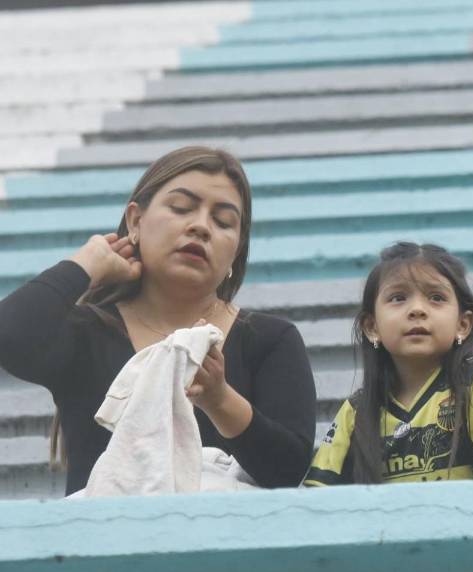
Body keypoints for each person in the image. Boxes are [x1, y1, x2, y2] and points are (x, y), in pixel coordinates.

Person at [0, 146, 317, 495]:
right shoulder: (86, 332)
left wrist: (219, 400)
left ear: (237, 250)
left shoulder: (271, 339)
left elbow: (289, 469)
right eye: (181, 208)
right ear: (136, 221)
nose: (201, 226)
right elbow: (10, 336)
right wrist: (88, 263)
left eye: (223, 222)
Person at [305, 243, 473, 485]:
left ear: (463, 325)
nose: (417, 310)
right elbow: (318, 496)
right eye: (398, 298)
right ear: (372, 327)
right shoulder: (356, 412)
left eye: (436, 298)